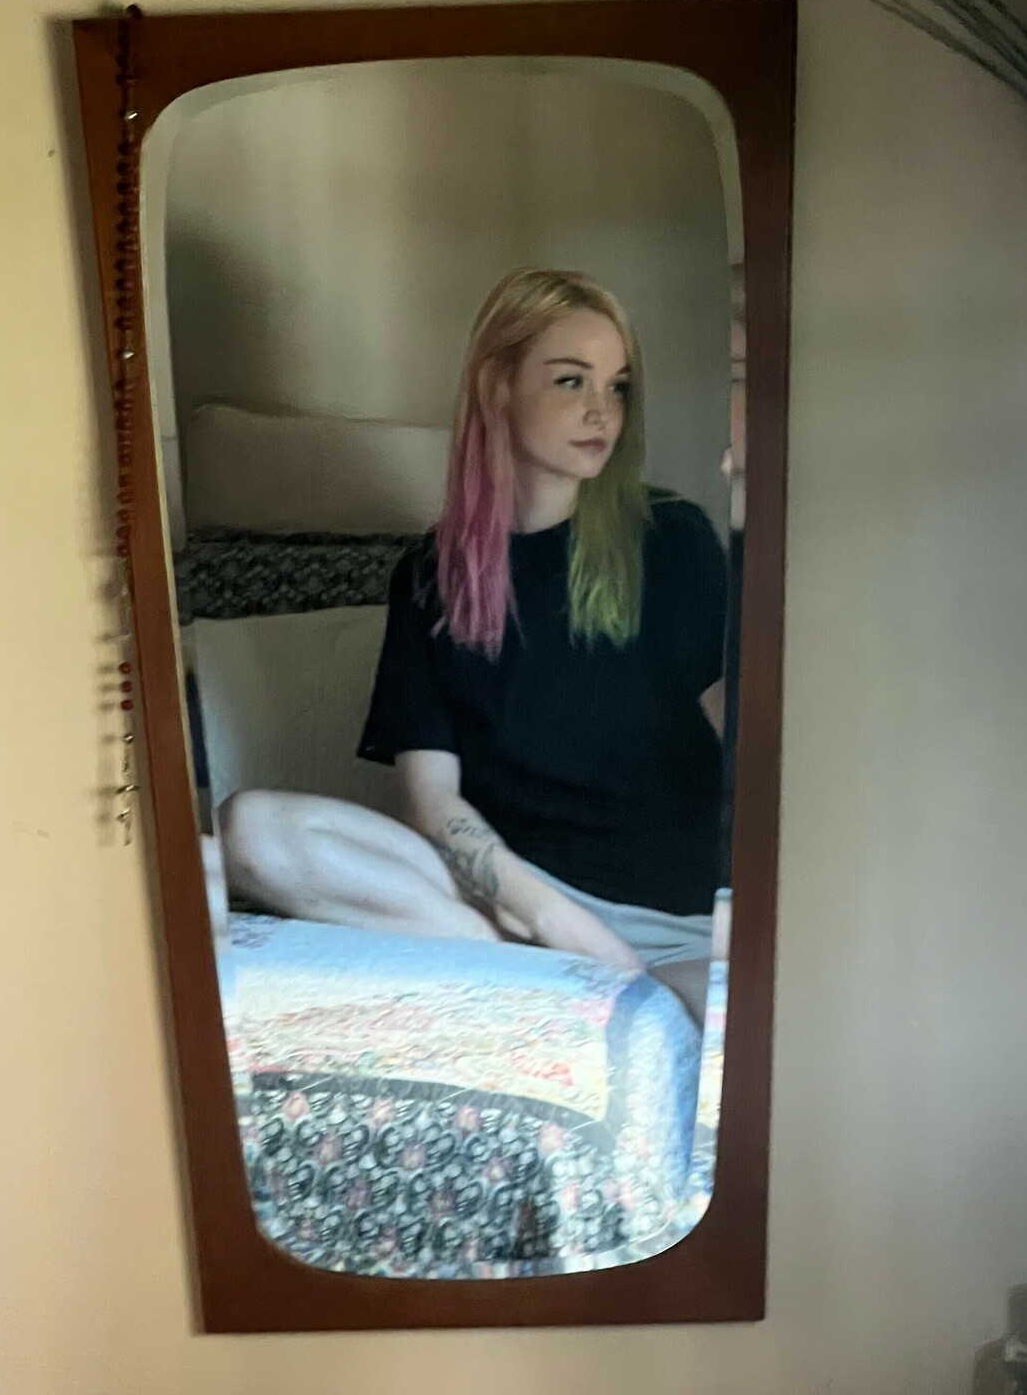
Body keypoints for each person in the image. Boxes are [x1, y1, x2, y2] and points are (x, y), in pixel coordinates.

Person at [218, 268, 728, 1020]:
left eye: (617, 387)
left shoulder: (674, 539)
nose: (601, 411)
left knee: (718, 1015)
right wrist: (550, 917)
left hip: (673, 920)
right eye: (571, 381)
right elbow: (431, 798)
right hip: (503, 902)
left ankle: (553, 980)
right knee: (250, 829)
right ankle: (556, 973)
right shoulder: (430, 574)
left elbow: (744, 738)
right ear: (497, 386)